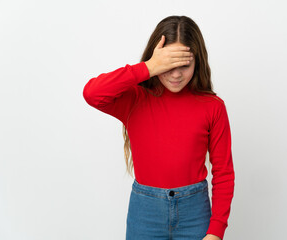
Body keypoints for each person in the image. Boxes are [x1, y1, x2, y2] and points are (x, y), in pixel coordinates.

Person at [83, 15, 235, 240]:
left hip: (195, 213)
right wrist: (148, 68)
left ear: (198, 61)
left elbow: (223, 172)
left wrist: (216, 231)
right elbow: (92, 93)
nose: (175, 74)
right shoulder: (135, 100)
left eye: (184, 65)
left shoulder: (213, 107)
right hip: (145, 212)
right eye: (168, 65)